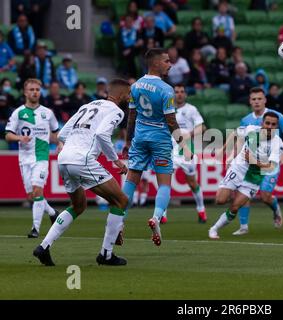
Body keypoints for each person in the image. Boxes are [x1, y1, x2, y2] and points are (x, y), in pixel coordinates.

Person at [32, 79, 131, 266]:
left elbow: (62, 134)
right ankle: (106, 254)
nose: (130, 98)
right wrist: (115, 161)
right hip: (82, 159)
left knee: (78, 205)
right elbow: (102, 134)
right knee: (122, 200)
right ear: (121, 95)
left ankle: (43, 247)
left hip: (64, 158)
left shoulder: (87, 105)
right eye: (129, 95)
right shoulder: (115, 111)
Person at [121, 48, 188, 247]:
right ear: (156, 63)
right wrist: (183, 144)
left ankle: (119, 220)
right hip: (160, 139)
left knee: (131, 180)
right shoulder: (166, 89)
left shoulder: (135, 86)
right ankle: (157, 218)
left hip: (140, 138)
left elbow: (131, 115)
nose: (170, 64)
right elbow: (171, 121)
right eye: (167, 61)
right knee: (164, 183)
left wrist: (127, 140)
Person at [208, 112, 283, 239]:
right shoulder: (251, 129)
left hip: (253, 178)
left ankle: (214, 229)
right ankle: (232, 194)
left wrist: (254, 161)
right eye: (267, 123)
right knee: (220, 200)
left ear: (277, 127)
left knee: (235, 207)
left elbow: (271, 167)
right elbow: (235, 133)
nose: (270, 126)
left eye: (273, 124)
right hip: (238, 169)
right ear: (262, 124)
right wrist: (224, 149)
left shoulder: (278, 143)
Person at [232, 87, 283, 235]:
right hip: (251, 163)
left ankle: (275, 209)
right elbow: (240, 139)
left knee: (265, 197)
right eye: (253, 99)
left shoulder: (276, 116)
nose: (256, 102)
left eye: (259, 99)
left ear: (265, 100)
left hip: (269, 163)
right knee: (244, 192)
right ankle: (243, 227)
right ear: (250, 101)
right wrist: (235, 157)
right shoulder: (246, 120)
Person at [5, 79, 59, 238]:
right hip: (24, 159)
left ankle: (35, 229)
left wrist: (61, 143)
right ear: (25, 92)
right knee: (32, 196)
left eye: (37, 89)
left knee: (37, 190)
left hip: (41, 157)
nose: (35, 92)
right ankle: (52, 212)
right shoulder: (18, 113)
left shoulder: (48, 113)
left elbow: (56, 132)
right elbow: (7, 135)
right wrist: (19, 138)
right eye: (32, 89)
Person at [162, 84, 207, 223]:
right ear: (172, 94)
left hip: (186, 150)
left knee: (192, 183)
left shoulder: (191, 109)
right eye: (176, 92)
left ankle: (201, 210)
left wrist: (190, 134)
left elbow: (202, 127)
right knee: (164, 182)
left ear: (185, 94)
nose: (179, 94)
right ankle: (162, 214)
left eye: (182, 92)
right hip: (169, 150)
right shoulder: (166, 109)